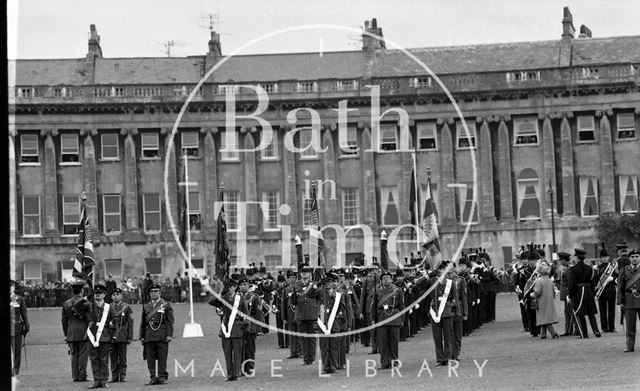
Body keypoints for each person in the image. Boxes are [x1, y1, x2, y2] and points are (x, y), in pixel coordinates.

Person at [208, 279, 248, 381]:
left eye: (231, 286)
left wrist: (246, 327)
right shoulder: (223, 298)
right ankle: (230, 374)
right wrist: (221, 293)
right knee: (227, 353)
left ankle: (235, 374)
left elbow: (246, 313)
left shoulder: (240, 298)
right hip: (226, 328)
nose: (229, 288)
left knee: (237, 353)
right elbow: (211, 302)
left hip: (237, 327)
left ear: (235, 287)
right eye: (228, 287)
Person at [307, 272, 347, 374]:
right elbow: (309, 294)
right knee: (324, 348)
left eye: (331, 282)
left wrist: (344, 323)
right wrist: (318, 283)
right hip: (323, 323)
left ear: (334, 283)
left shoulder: (338, 294)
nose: (329, 284)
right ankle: (326, 367)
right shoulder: (320, 292)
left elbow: (343, 309)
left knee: (333, 347)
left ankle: (333, 367)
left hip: (335, 323)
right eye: (327, 282)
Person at [420, 261, 458, 366]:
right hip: (435, 311)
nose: (442, 271)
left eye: (443, 269)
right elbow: (419, 285)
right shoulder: (432, 282)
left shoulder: (450, 283)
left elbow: (455, 298)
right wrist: (427, 275)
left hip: (447, 311)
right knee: (437, 337)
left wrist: (457, 312)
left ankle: (448, 357)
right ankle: (440, 358)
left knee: (448, 337)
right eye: (440, 269)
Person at [140, 282, 174, 385]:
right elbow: (143, 322)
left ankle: (162, 376)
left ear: (160, 293)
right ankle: (153, 376)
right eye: (151, 292)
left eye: (156, 291)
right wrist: (142, 336)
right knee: (150, 358)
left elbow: (170, 321)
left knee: (162, 357)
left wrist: (169, 334)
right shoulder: (146, 306)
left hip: (161, 334)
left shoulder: (166, 305)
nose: (154, 293)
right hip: (149, 334)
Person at [568, 248, 601, 339]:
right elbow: (593, 283)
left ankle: (584, 334)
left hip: (579, 293)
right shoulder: (590, 268)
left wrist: (570, 295)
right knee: (591, 313)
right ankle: (596, 331)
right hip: (588, 291)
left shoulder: (573, 269)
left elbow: (572, 285)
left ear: (577, 258)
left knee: (580, 314)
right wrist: (593, 293)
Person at [87, 284, 115, 389]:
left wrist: (113, 335)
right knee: (94, 359)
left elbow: (115, 321)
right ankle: (96, 380)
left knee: (104, 360)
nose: (98, 295)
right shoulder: (89, 306)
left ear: (104, 294)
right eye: (96, 293)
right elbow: (77, 307)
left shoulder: (109, 307)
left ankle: (103, 380)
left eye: (100, 293)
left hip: (104, 336)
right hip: (91, 336)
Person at [62, 280, 91, 382]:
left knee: (74, 355)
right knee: (83, 355)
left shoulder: (66, 303)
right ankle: (82, 376)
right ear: (82, 290)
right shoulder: (86, 303)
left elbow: (64, 321)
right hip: (83, 331)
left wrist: (67, 334)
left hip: (71, 332)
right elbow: (88, 319)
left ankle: (75, 376)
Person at [375, 270, 404, 370]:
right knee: (382, 342)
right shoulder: (377, 291)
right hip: (381, 317)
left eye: (388, 278)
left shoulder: (398, 290)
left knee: (394, 342)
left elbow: (401, 305)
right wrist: (373, 320)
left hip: (394, 316)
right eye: (384, 278)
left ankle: (394, 362)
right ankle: (384, 363)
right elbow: (374, 307)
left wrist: (402, 319)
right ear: (381, 281)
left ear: (391, 280)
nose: (386, 279)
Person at [292, 266, 319, 365]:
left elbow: (318, 298)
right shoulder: (296, 285)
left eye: (306, 272)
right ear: (300, 274)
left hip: (312, 313)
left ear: (310, 273)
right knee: (303, 338)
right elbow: (293, 301)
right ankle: (305, 358)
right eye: (302, 272)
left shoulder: (314, 284)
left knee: (311, 338)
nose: (304, 274)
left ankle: (311, 358)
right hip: (301, 314)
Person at [617, 248, 640, 352]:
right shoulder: (624, 270)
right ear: (629, 258)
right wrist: (620, 302)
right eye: (633, 257)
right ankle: (630, 347)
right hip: (629, 300)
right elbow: (620, 286)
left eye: (637, 257)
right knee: (630, 326)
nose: (635, 259)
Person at [239, 277, 263, 376]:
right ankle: (241, 368)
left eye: (244, 284)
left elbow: (258, 314)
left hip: (251, 326)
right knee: (240, 348)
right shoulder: (237, 297)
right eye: (240, 285)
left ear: (249, 286)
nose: (242, 286)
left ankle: (250, 368)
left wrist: (258, 329)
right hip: (239, 326)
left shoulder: (254, 297)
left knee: (250, 349)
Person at [109, 288, 134, 382]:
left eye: (118, 294)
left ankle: (123, 375)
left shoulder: (126, 307)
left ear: (121, 296)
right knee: (113, 357)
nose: (116, 296)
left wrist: (130, 336)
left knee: (123, 357)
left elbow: (130, 322)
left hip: (123, 333)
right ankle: (114, 376)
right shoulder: (108, 307)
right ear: (111, 296)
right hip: (111, 334)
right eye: (114, 294)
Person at [531, 263, 559, 339]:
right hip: (549, 301)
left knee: (544, 318)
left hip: (541, 302)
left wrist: (532, 294)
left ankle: (553, 333)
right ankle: (543, 334)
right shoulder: (550, 281)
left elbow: (537, 292)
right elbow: (553, 292)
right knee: (545, 317)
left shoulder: (538, 281)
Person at [10, 279, 29, 376]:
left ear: (13, 288)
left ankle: (15, 370)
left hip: (16, 327)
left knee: (16, 350)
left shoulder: (19, 299)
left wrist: (26, 325)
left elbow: (24, 313)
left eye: (11, 286)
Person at [596, 248, 618, 333]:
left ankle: (612, 327)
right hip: (602, 291)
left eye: (606, 257)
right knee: (602, 310)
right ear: (600, 258)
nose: (604, 258)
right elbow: (597, 279)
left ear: (609, 257)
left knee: (612, 310)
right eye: (602, 257)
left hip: (611, 290)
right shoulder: (598, 267)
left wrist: (613, 279)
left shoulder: (613, 266)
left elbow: (617, 277)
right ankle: (604, 328)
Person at [282, 270, 301, 359]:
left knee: (300, 333)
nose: (292, 279)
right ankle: (293, 352)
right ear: (288, 279)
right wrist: (284, 317)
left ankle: (300, 352)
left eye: (294, 277)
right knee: (292, 334)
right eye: (291, 278)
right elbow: (284, 304)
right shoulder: (286, 289)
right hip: (290, 314)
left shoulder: (300, 288)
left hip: (299, 313)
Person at [452, 265, 468, 360]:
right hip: (448, 309)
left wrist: (465, 312)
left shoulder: (461, 280)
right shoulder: (445, 281)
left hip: (459, 309)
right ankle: (450, 353)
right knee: (448, 334)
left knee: (457, 333)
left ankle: (456, 353)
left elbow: (464, 297)